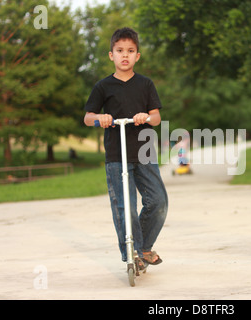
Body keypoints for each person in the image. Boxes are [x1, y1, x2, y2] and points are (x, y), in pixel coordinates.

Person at [83, 27, 168, 268]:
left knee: (158, 201)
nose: (125, 55)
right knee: (125, 207)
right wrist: (102, 118)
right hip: (116, 155)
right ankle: (132, 255)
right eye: (119, 51)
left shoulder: (145, 84)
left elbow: (157, 118)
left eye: (130, 51)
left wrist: (145, 117)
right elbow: (88, 117)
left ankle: (143, 247)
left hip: (144, 151)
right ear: (111, 55)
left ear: (137, 56)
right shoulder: (103, 87)